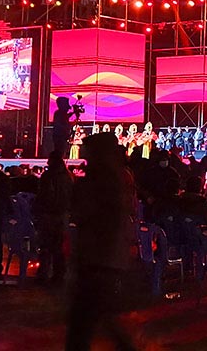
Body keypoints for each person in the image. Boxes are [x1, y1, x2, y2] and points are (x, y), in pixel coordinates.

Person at [66, 132, 139, 350]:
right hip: (102, 256)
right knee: (96, 315)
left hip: (99, 257)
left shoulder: (102, 179)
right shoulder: (111, 177)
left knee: (86, 318)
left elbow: (89, 213)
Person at [35, 152, 73, 285]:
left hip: (48, 214)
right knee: (59, 246)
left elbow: (44, 195)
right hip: (62, 214)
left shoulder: (48, 176)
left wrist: (39, 209)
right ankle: (58, 274)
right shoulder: (68, 176)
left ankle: (43, 273)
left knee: (45, 245)